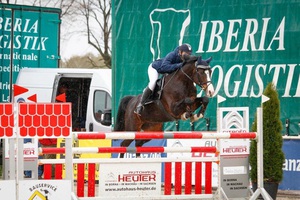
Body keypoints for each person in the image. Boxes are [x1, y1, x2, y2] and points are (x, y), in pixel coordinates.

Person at [135, 43, 192, 115]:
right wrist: (179, 65)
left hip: (166, 71)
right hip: (155, 68)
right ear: (180, 52)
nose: (188, 55)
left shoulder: (184, 59)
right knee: (153, 82)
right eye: (186, 53)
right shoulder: (172, 55)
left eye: (189, 54)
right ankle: (141, 103)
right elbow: (164, 67)